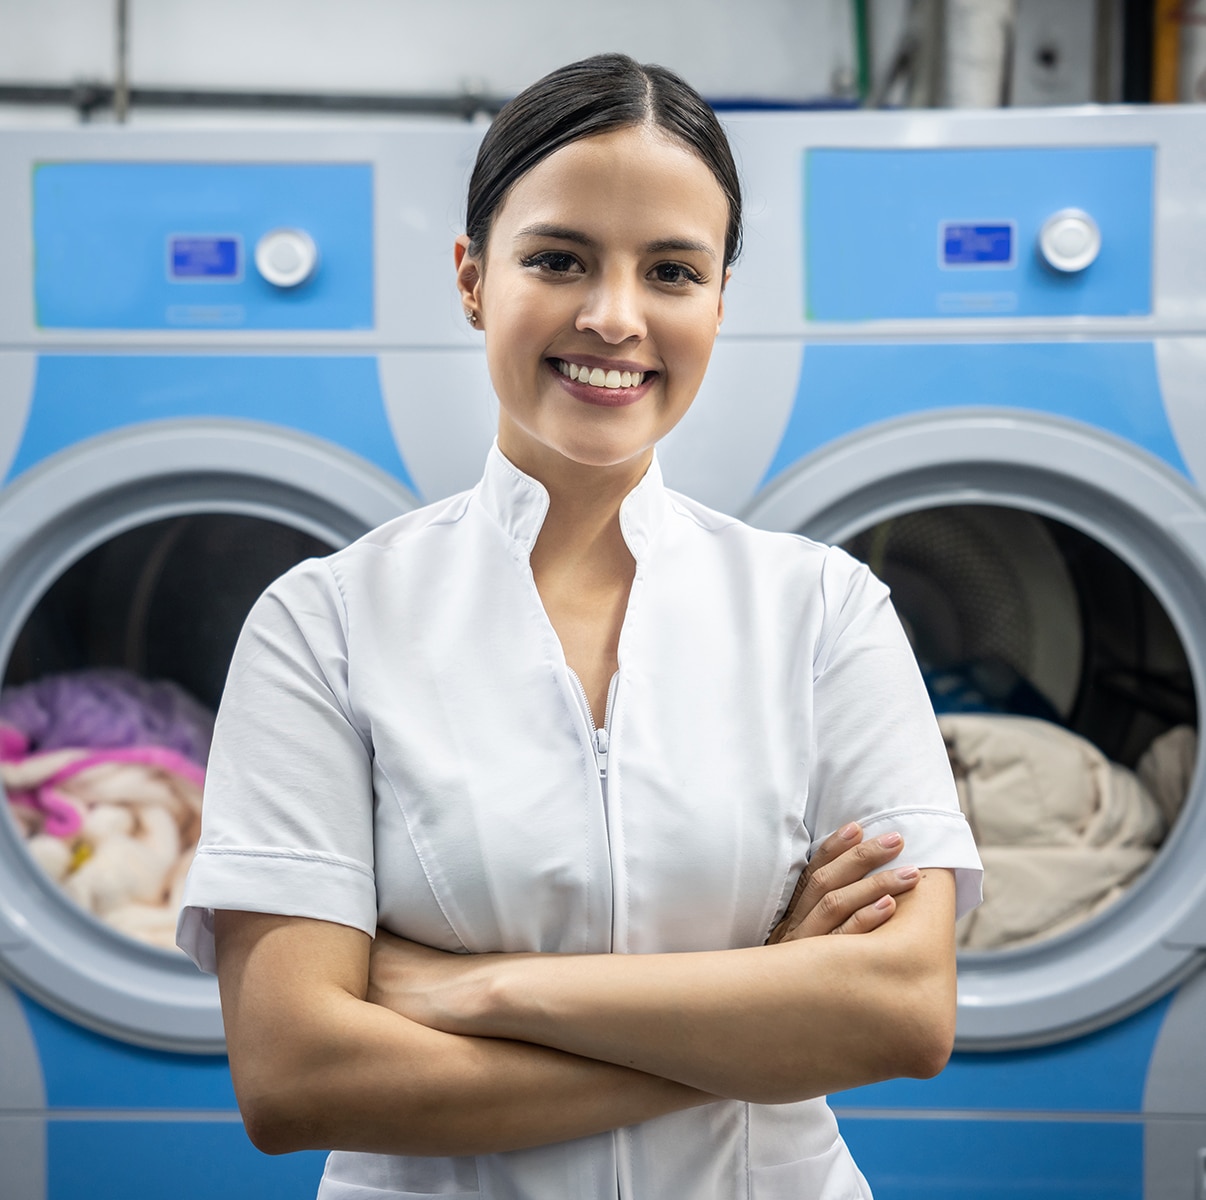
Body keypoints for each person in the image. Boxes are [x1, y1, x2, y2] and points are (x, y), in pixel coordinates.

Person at [177, 52, 982, 1199]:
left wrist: (480, 990)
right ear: (471, 279)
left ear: (716, 301)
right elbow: (295, 1076)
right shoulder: (326, 624)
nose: (613, 317)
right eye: (557, 259)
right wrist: (764, 1005)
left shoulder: (822, 610)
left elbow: (904, 1013)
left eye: (671, 271)